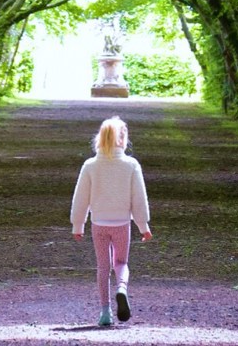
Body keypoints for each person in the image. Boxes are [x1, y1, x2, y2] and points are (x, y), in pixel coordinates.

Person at [70, 115, 152, 327]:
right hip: (121, 224)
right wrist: (143, 226)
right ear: (122, 139)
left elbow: (81, 198)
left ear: (101, 138)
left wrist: (78, 224)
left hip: (99, 224)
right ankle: (122, 289)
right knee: (121, 262)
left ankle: (105, 312)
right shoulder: (131, 165)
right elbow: (139, 199)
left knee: (103, 267)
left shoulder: (90, 165)